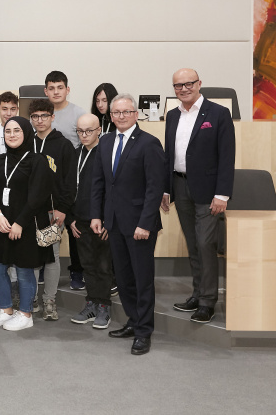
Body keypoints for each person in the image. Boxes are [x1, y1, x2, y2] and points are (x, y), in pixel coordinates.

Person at [91, 94, 166, 356]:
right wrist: (96, 215)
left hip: (140, 226)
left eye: (126, 112)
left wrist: (145, 223)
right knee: (123, 279)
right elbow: (99, 182)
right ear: (110, 116)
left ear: (136, 114)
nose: (121, 116)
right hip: (113, 223)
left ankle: (144, 331)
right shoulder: (106, 141)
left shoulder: (149, 143)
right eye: (116, 113)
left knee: (142, 279)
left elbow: (154, 189)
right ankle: (134, 322)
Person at [162, 68, 235, 324]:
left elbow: (227, 156)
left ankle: (207, 301)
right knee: (192, 244)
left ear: (199, 83)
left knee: (205, 245)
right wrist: (166, 188)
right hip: (180, 187)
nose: (183, 88)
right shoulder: (172, 115)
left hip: (209, 191)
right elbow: (168, 154)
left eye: (188, 83)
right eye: (178, 85)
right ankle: (197, 293)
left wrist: (222, 194)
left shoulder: (218, 113)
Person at [0, 117, 54, 332]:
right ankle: (6, 310)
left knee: (24, 271)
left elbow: (38, 196)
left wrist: (20, 223)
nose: (11, 135)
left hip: (27, 223)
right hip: (2, 222)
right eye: (8, 131)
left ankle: (25, 313)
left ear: (26, 133)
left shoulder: (37, 160)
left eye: (16, 130)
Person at [28, 98, 77, 319]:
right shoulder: (26, 143)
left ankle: (49, 300)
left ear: (52, 117)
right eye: (35, 116)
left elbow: (69, 181)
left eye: (44, 116)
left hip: (52, 211)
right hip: (29, 210)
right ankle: (31, 298)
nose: (40, 120)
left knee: (52, 256)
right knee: (31, 256)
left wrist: (62, 209)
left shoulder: (63, 144)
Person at [66, 114, 112, 329]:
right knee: (87, 265)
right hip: (79, 220)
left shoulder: (106, 155)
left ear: (99, 130)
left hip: (100, 221)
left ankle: (104, 306)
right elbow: (68, 189)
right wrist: (71, 218)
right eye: (80, 131)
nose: (84, 135)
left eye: (89, 131)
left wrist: (106, 219)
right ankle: (92, 302)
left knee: (103, 265)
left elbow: (111, 191)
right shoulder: (75, 154)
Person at [45, 70, 87, 149]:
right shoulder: (38, 115)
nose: (56, 92)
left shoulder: (79, 114)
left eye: (60, 88)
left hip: (72, 159)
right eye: (51, 89)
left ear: (67, 90)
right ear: (46, 91)